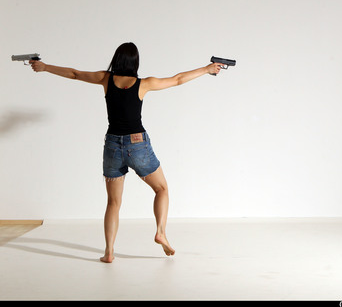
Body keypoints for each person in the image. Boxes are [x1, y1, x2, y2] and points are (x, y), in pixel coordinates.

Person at [30, 42, 223, 263]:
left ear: (117, 59)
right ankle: (160, 232)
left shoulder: (105, 79)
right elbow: (178, 79)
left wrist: (45, 67)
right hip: (137, 144)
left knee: (113, 202)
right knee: (161, 189)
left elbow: (74, 74)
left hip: (112, 144)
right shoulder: (144, 84)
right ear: (135, 62)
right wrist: (207, 69)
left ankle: (109, 252)